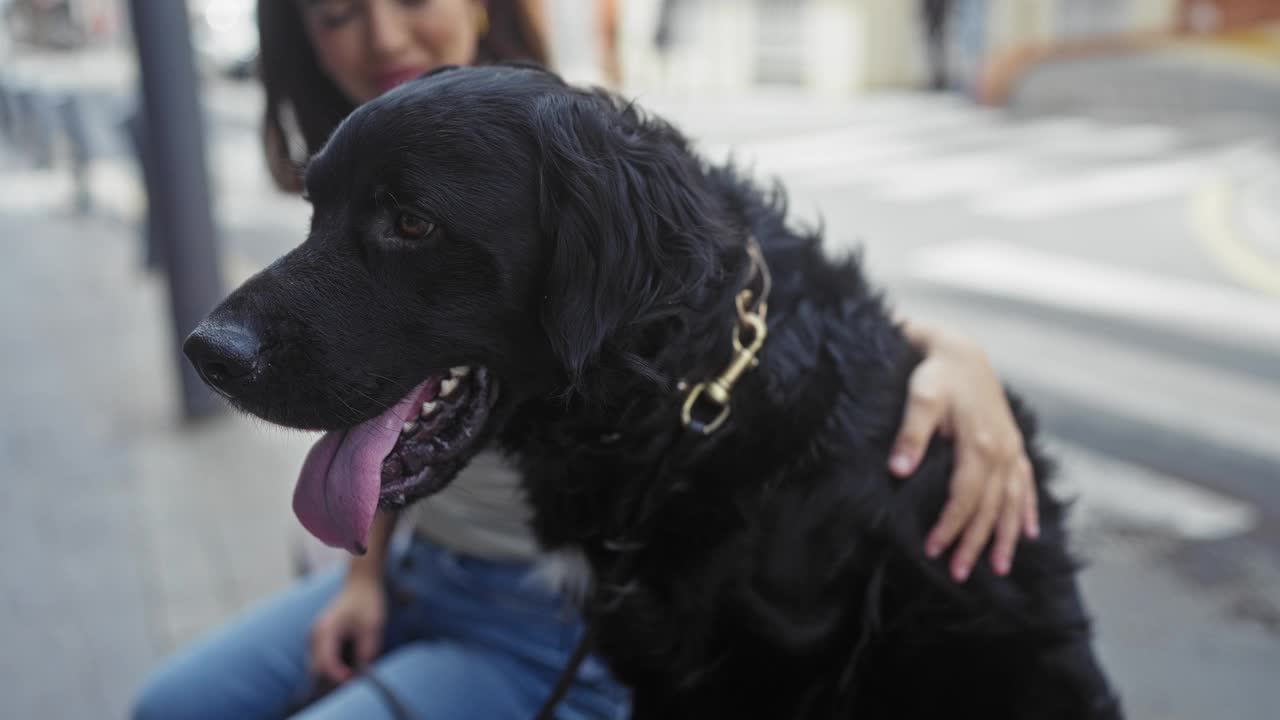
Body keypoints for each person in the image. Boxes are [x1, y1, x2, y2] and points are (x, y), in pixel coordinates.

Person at [132, 2, 1039, 718]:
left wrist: (952, 355)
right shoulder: (369, 150)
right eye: (335, 12)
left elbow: (756, 307)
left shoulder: (585, 155)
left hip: (552, 622)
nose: (381, 32)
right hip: (418, 577)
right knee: (165, 706)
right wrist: (362, 579)